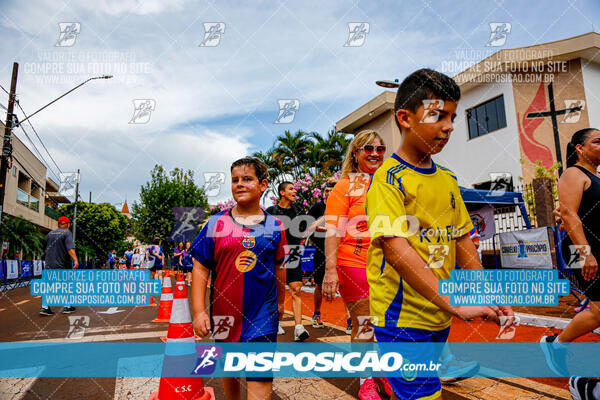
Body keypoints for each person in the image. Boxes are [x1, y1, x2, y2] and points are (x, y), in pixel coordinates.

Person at [364, 69, 512, 400]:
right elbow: (395, 248)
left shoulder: (447, 177)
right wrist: (454, 304)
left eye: (452, 116)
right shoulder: (389, 178)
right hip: (401, 319)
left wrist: (483, 293)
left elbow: (461, 238)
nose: (448, 126)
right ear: (405, 117)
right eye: (437, 115)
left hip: (437, 316)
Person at [191, 157, 287, 400]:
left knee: (260, 376)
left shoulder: (276, 227)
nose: (240, 184)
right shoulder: (215, 223)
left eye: (247, 179)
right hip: (224, 313)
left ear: (263, 185)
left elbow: (281, 266)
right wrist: (200, 312)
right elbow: (200, 268)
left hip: (263, 315)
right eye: (235, 180)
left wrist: (280, 302)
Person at [322, 130, 389, 399]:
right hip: (354, 261)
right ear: (356, 153)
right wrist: (329, 271)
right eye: (368, 148)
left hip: (389, 265)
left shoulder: (389, 182)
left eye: (380, 148)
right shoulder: (346, 185)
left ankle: (383, 372)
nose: (374, 153)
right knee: (364, 322)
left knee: (388, 323)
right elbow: (332, 230)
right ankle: (366, 381)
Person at [541, 128, 600, 377]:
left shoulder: (594, 177)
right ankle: (556, 345)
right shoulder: (574, 173)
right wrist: (585, 253)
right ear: (580, 148)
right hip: (584, 248)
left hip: (594, 245)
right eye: (597, 141)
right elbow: (568, 213)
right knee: (599, 310)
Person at [266, 182, 310, 342]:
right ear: (282, 192)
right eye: (291, 189)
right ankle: (276, 321)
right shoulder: (271, 212)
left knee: (296, 288)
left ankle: (298, 328)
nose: (294, 191)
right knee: (276, 292)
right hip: (276, 253)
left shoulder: (299, 210)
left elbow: (304, 231)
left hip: (293, 252)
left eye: (294, 188)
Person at [306, 178, 336, 329]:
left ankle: (350, 320)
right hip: (320, 250)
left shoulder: (342, 207)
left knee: (343, 285)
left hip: (338, 250)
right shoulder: (317, 208)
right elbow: (307, 228)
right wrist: (319, 229)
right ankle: (316, 314)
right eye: (326, 191)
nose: (328, 194)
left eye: (331, 191)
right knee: (319, 284)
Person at [40, 216, 79, 316]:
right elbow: (70, 249)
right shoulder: (67, 233)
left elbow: (44, 249)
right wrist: (75, 260)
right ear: (68, 224)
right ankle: (67, 306)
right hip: (62, 266)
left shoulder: (49, 234)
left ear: (58, 224)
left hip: (49, 265)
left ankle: (45, 308)